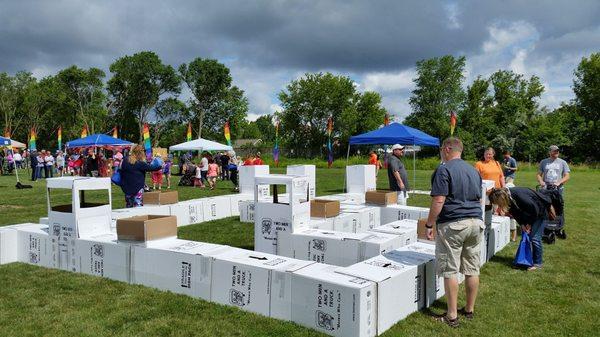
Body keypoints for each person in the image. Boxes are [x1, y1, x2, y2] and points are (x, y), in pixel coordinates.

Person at [425, 137, 484, 327]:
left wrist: (429, 224)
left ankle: (451, 315)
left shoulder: (444, 169)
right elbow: (480, 198)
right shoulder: (474, 170)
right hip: (476, 222)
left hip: (453, 224)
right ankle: (469, 309)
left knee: (450, 269)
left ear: (448, 149)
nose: (442, 151)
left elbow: (439, 200)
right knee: (472, 268)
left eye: (443, 148)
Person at [488, 187, 553, 271]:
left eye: (498, 203)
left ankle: (538, 263)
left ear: (501, 198)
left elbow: (535, 209)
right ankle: (524, 261)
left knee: (535, 238)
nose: (498, 205)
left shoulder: (519, 195)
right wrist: (522, 224)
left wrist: (529, 224)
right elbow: (515, 213)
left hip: (540, 213)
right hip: (530, 214)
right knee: (526, 238)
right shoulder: (508, 198)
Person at [475, 147, 505, 228]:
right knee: (487, 211)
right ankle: (485, 228)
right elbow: (475, 178)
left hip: (497, 192)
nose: (488, 155)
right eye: (486, 154)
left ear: (493, 155)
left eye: (490, 154)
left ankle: (496, 230)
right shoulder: (479, 164)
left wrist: (504, 187)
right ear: (484, 154)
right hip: (486, 193)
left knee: (499, 212)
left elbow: (501, 176)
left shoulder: (497, 163)